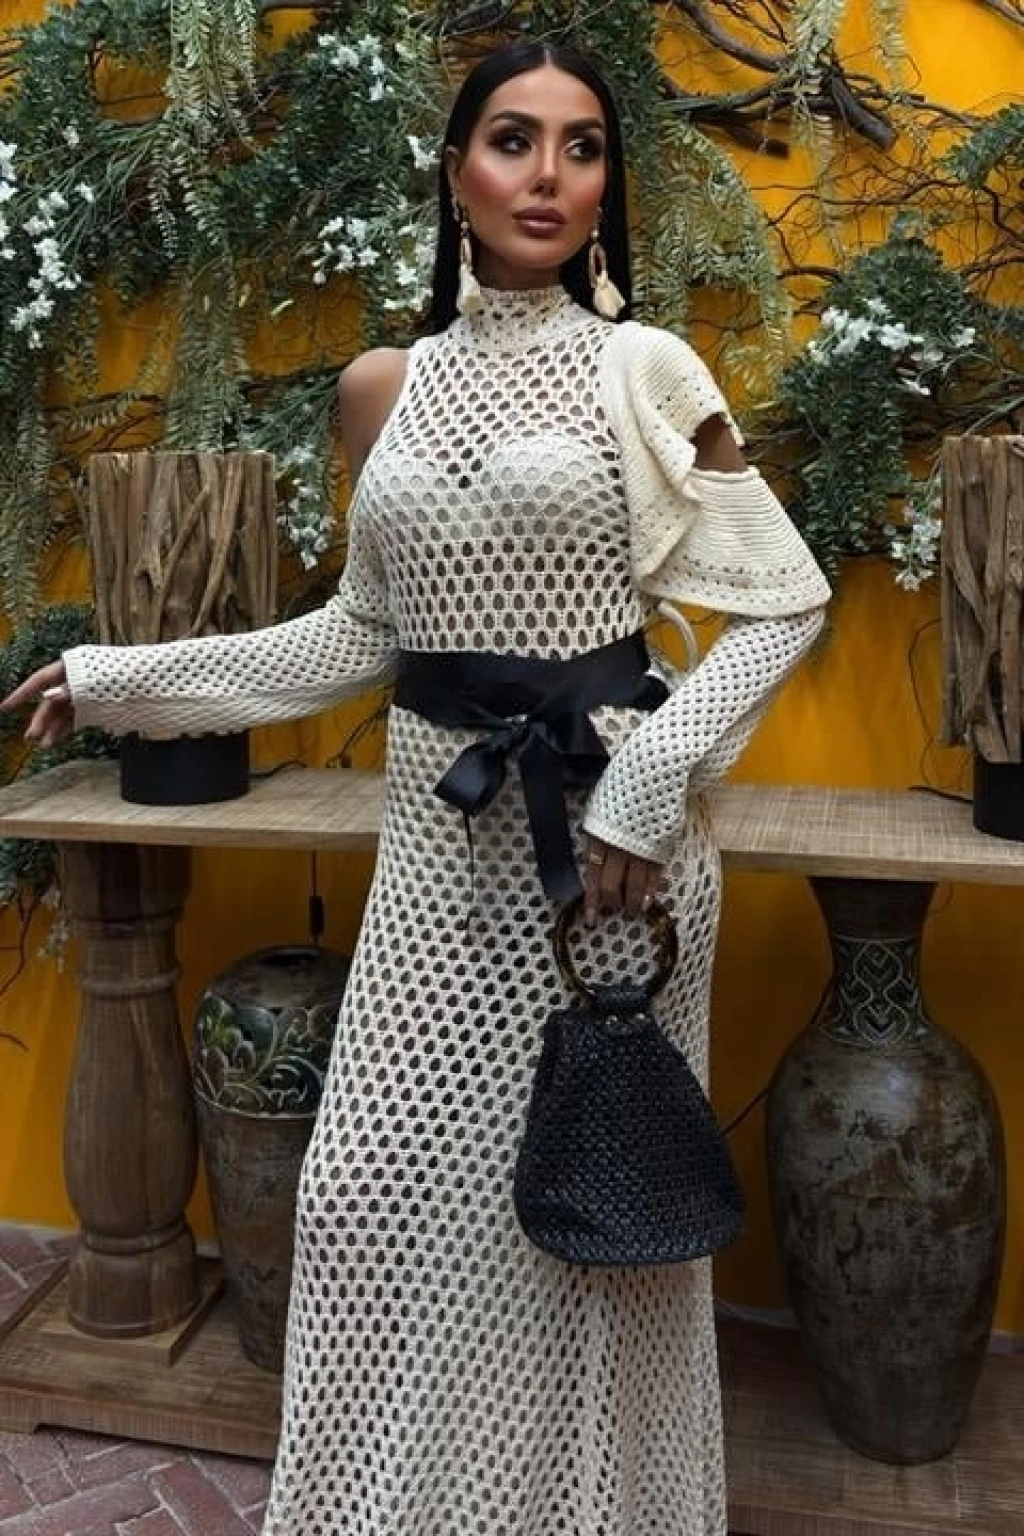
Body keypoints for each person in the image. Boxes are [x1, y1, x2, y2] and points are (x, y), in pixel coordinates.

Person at [2, 39, 829, 1536]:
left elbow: (785, 601)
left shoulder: (647, 368)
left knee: (595, 1226)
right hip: (443, 856)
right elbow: (360, 637)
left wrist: (648, 786)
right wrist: (121, 680)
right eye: (513, 140)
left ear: (606, 187)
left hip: (611, 863)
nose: (549, 175)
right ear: (455, 173)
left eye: (583, 147)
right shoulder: (382, 386)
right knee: (367, 1199)